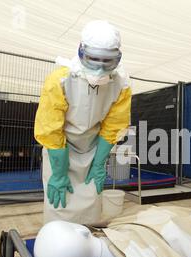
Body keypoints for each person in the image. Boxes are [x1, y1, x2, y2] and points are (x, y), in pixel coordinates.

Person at [34, 20, 131, 225]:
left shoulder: (121, 84)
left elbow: (114, 126)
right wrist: (59, 173)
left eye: (108, 62)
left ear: (118, 59)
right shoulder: (60, 80)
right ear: (81, 51)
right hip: (59, 149)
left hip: (93, 149)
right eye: (93, 59)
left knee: (90, 204)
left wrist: (99, 164)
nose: (100, 68)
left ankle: (86, 243)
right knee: (59, 204)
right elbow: (50, 129)